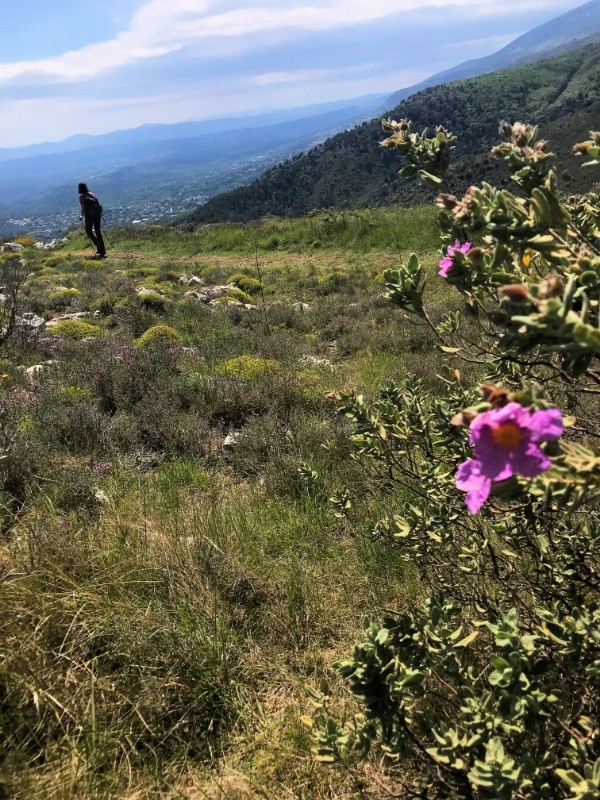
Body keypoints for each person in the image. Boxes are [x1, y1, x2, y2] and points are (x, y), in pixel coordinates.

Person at [78, 182, 107, 258]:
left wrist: (81, 216)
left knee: (88, 231)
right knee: (98, 232)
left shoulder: (82, 197)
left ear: (79, 189)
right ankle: (102, 251)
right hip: (97, 215)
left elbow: (83, 209)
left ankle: (97, 244)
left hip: (89, 216)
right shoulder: (92, 194)